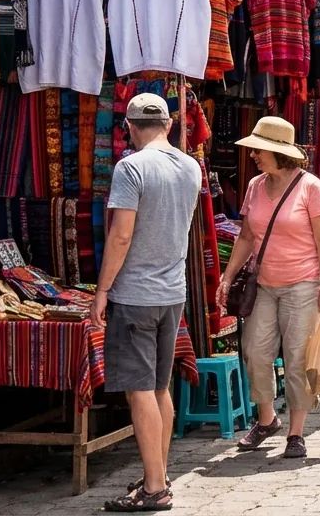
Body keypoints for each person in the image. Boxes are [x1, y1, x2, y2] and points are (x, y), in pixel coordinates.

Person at [93, 93, 202, 512]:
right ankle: (158, 473)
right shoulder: (189, 166)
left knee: (140, 390)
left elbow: (121, 236)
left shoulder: (131, 167)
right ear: (169, 124)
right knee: (159, 387)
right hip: (172, 291)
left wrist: (101, 291)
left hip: (136, 294)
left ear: (130, 127)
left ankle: (155, 487)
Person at [215, 116, 320, 459]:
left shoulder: (310, 187)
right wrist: (227, 276)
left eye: (260, 149)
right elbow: (246, 236)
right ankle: (267, 419)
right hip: (263, 283)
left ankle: (296, 432)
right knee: (254, 350)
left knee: (297, 358)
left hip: (303, 283)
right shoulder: (255, 186)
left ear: (279, 153)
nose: (254, 155)